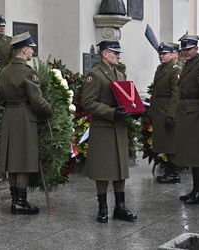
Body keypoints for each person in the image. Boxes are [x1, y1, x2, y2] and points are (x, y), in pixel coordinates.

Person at [81, 40, 137, 223]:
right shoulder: (94, 75)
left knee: (120, 167)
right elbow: (88, 102)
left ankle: (120, 207)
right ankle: (102, 207)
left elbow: (125, 96)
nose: (119, 56)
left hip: (118, 126)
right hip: (104, 126)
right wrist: (111, 112)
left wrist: (134, 109)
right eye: (115, 52)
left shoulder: (119, 73)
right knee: (103, 168)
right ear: (105, 53)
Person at [0, 32, 53, 215]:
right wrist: (49, 111)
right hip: (25, 117)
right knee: (23, 160)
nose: (32, 52)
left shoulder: (4, 71)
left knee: (13, 160)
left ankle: (15, 200)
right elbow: (37, 101)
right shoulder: (28, 72)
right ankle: (20, 202)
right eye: (31, 49)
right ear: (24, 50)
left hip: (9, 117)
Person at [173, 34, 199, 205]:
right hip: (187, 113)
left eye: (189, 49)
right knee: (192, 155)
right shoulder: (188, 64)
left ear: (196, 49)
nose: (186, 53)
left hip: (197, 112)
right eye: (183, 50)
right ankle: (195, 189)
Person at [148, 42, 181, 184]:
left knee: (170, 143)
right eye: (160, 54)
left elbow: (176, 94)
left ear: (172, 54)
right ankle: (170, 170)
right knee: (163, 143)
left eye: (164, 54)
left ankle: (174, 173)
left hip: (167, 109)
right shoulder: (160, 69)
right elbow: (155, 91)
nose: (161, 56)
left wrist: (170, 114)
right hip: (158, 109)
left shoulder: (175, 70)